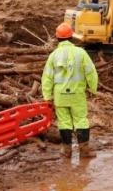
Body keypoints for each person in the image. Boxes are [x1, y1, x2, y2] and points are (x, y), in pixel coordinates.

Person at [42, 23, 98, 159]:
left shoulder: (53, 56)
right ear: (71, 37)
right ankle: (84, 151)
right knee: (81, 121)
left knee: (64, 122)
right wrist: (93, 88)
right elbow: (91, 72)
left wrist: (47, 96)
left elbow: (47, 77)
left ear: (57, 38)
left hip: (60, 96)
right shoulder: (81, 53)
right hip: (77, 95)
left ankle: (66, 151)